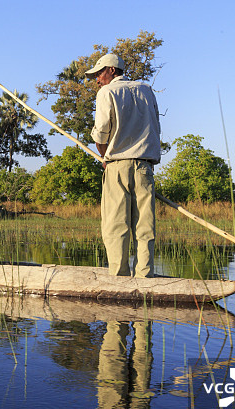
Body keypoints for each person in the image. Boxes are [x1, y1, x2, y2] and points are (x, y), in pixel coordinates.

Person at [86, 53, 161, 278]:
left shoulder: (107, 92)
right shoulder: (147, 90)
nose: (97, 79)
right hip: (144, 167)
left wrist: (105, 157)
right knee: (144, 225)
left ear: (111, 70)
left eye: (99, 73)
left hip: (117, 165)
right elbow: (156, 125)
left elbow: (100, 135)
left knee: (116, 225)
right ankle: (144, 276)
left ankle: (118, 277)